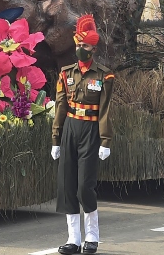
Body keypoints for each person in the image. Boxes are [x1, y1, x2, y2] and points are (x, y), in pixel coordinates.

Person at [52, 14, 113, 255]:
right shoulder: (66, 74)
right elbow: (60, 107)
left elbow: (106, 110)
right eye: (78, 45)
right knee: (67, 186)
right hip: (70, 129)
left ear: (93, 47)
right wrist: (56, 139)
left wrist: (105, 140)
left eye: (85, 46)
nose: (80, 49)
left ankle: (92, 236)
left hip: (90, 132)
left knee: (85, 186)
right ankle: (73, 239)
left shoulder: (104, 76)